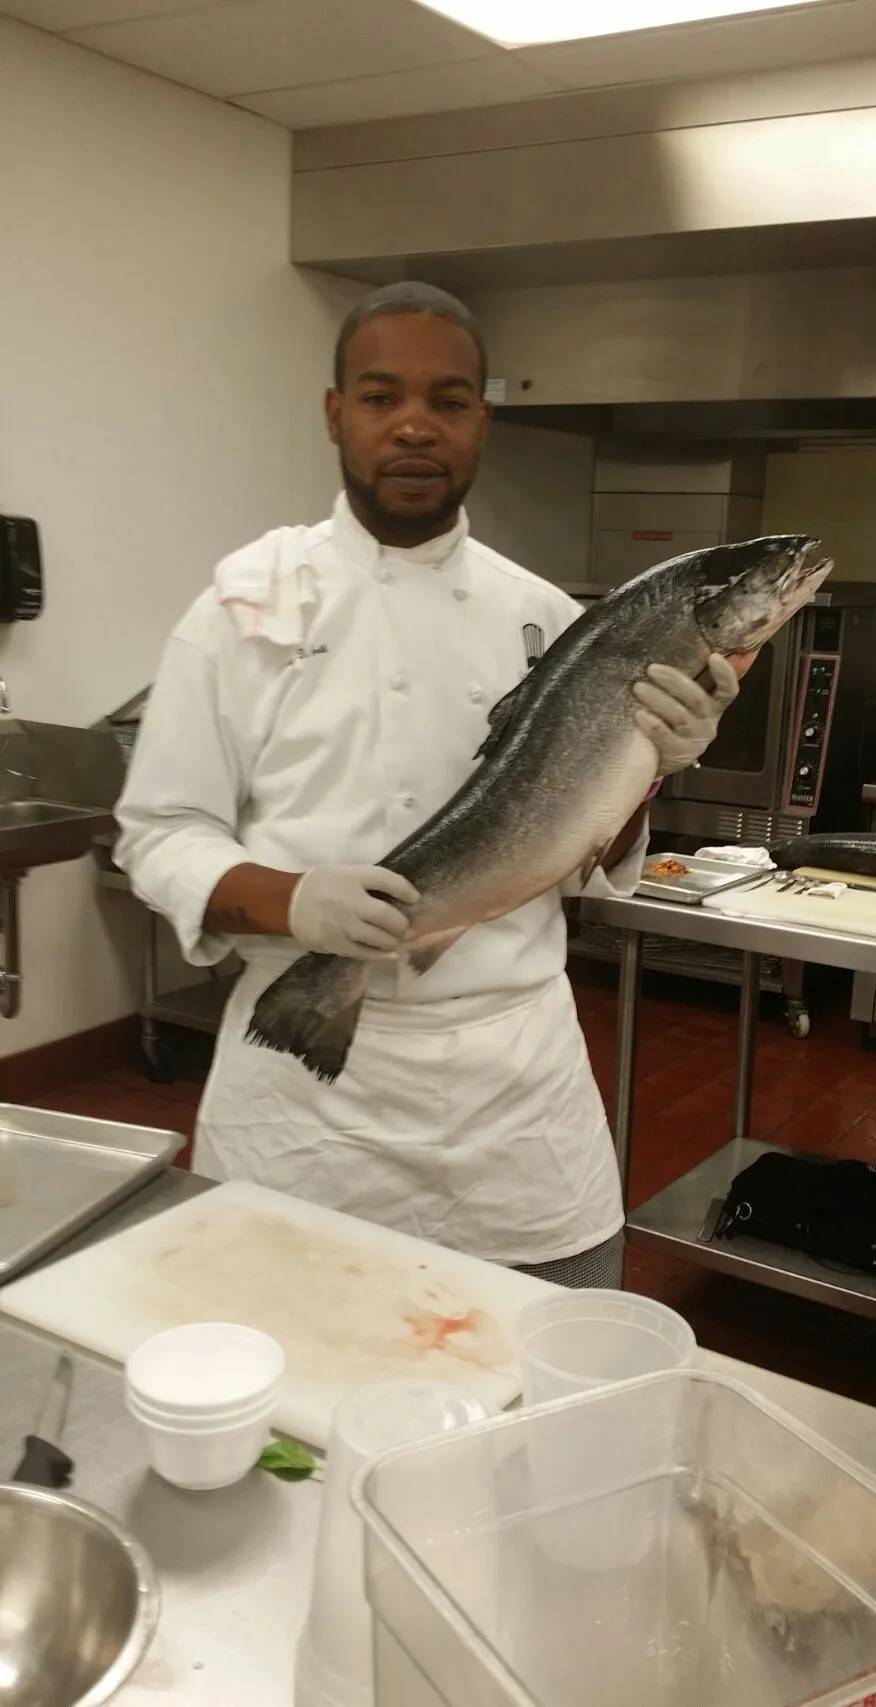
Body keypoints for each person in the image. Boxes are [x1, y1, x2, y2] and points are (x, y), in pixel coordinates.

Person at [115, 282, 738, 1288]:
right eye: (380, 397)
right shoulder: (243, 607)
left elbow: (585, 861)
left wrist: (649, 772)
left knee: (536, 1383)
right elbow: (160, 832)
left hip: (512, 1093)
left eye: (448, 402)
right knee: (289, 1382)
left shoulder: (547, 620)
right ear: (334, 414)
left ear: (482, 421)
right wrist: (295, 902)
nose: (414, 425)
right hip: (301, 1084)